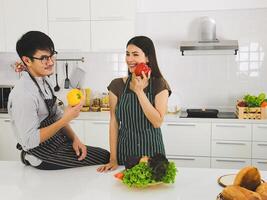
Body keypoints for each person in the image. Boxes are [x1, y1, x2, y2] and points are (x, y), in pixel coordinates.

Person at [8, 31, 110, 170]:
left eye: (51, 56)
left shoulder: (46, 81)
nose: (50, 62)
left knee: (104, 156)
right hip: (41, 152)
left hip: (58, 142)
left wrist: (75, 139)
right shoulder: (23, 94)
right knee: (104, 158)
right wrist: (65, 119)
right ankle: (29, 157)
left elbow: (56, 116)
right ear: (27, 60)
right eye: (44, 58)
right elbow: (29, 141)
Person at [97, 36, 171, 172]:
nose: (129, 59)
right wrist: (113, 158)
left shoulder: (159, 84)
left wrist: (139, 91)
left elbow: (157, 122)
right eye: (127, 54)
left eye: (135, 54)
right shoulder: (117, 85)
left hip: (152, 155)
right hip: (125, 154)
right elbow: (114, 122)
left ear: (147, 58)